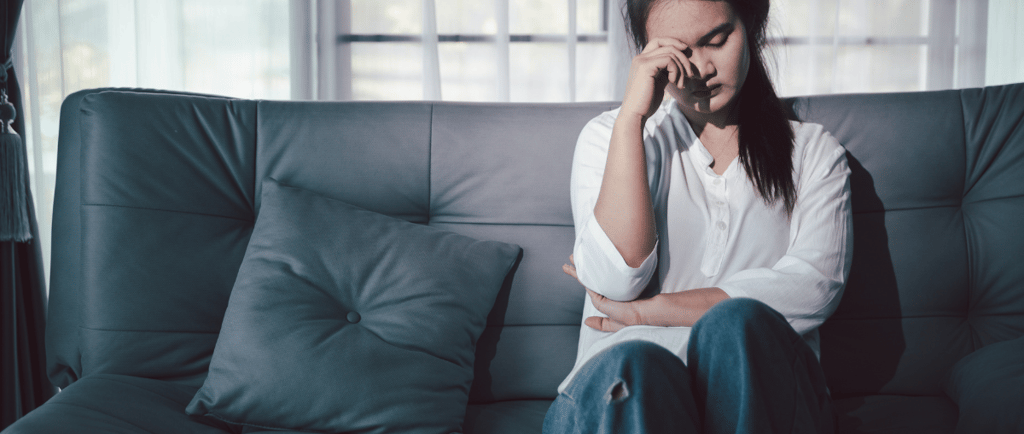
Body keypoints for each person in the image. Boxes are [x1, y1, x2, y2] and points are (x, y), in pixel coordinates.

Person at [543, 0, 853, 433]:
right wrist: (631, 119)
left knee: (738, 325)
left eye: (717, 40)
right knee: (637, 363)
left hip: (759, 390)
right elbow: (616, 281)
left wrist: (650, 313)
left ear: (752, 24)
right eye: (677, 51)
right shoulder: (609, 137)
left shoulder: (813, 152)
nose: (700, 69)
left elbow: (813, 288)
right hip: (616, 396)